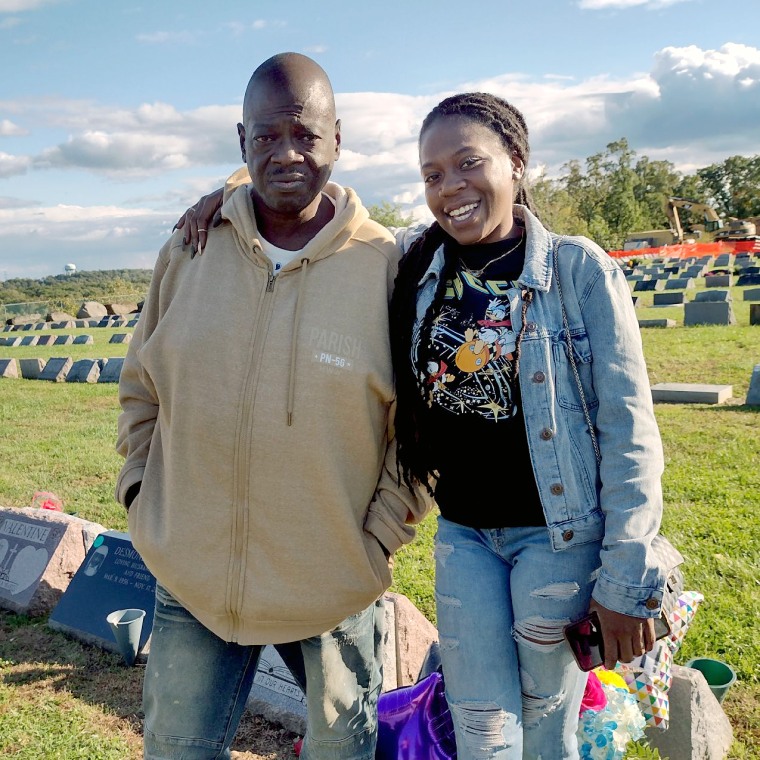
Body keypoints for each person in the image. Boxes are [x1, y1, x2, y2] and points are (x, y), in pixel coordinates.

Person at [181, 93, 669, 759]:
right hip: (464, 534)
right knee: (480, 724)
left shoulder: (576, 271)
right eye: (432, 174)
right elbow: (327, 209)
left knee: (546, 723)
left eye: (469, 164)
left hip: (556, 538)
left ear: (517, 163)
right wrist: (235, 189)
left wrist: (623, 582)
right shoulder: (415, 262)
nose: (450, 188)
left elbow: (629, 432)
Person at [115, 52, 427, 760]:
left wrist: (374, 540)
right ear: (242, 142)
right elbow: (142, 383)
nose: (286, 153)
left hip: (334, 586)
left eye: (304, 135)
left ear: (337, 139)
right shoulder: (192, 249)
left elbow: (419, 431)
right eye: (265, 138)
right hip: (192, 576)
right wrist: (143, 491)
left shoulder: (385, 268)